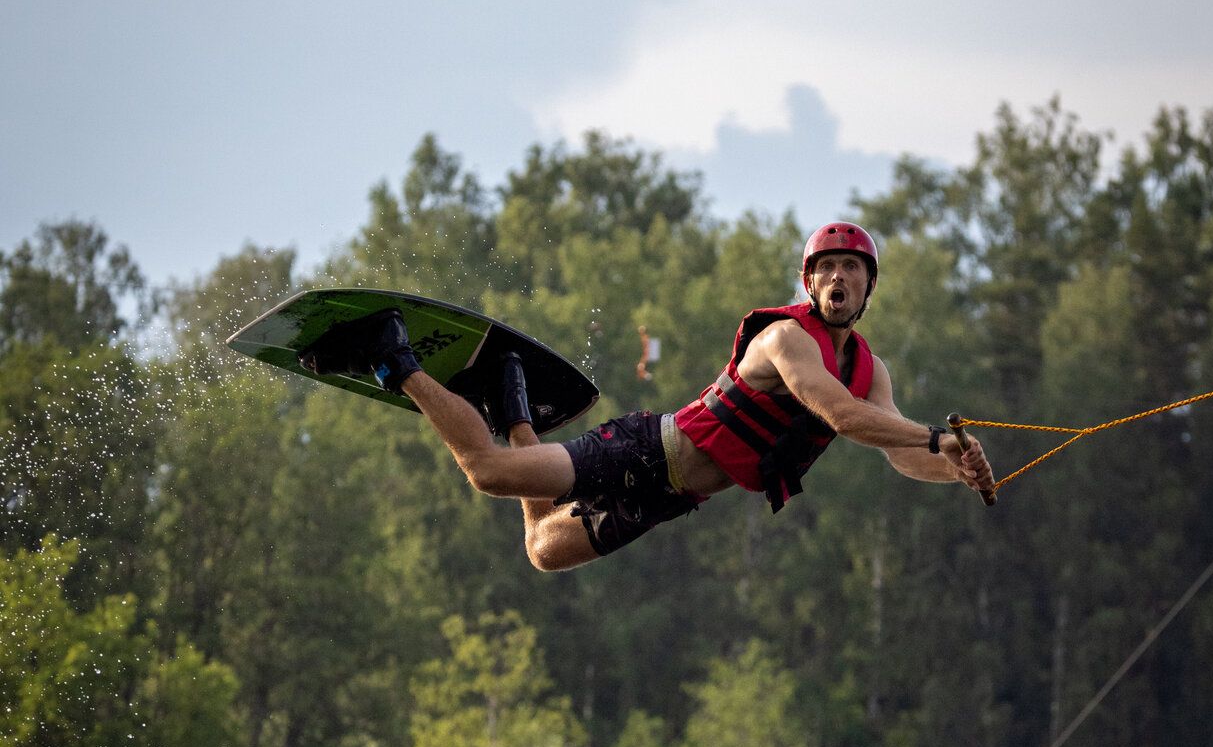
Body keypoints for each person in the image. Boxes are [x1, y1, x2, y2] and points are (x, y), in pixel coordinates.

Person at [304, 222, 995, 571]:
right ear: (809, 284)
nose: (840, 278)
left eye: (853, 269)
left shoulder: (869, 370)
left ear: (869, 288)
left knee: (543, 550)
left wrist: (951, 467)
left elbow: (899, 448)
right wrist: (939, 438)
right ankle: (392, 357)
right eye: (829, 269)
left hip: (670, 496)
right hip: (645, 448)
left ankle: (510, 399)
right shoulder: (788, 340)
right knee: (488, 474)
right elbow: (842, 418)